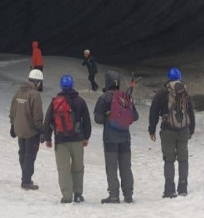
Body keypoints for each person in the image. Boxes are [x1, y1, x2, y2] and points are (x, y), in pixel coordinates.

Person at [149, 67, 196, 198]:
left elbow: (153, 112)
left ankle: (169, 189)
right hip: (183, 131)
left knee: (169, 160)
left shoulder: (161, 94)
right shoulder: (184, 93)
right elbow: (191, 112)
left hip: (167, 130)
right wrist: (191, 129)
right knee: (183, 159)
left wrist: (151, 129)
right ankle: (183, 187)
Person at [94, 70, 139, 203]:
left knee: (112, 166)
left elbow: (98, 119)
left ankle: (114, 194)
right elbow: (135, 116)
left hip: (110, 138)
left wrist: (109, 116)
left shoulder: (104, 98)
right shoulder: (125, 97)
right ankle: (128, 194)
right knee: (126, 166)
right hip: (125, 137)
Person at [47, 74, 92, 204]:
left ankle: (66, 196)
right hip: (77, 139)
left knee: (63, 169)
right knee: (78, 168)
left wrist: (48, 138)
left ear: (61, 86)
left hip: (61, 141)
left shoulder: (56, 101)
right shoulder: (80, 101)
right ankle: (78, 194)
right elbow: (87, 121)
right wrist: (86, 137)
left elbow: (48, 120)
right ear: (72, 85)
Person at [9, 69, 51, 190]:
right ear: (38, 82)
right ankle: (26, 181)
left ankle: (25, 177)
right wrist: (42, 130)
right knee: (30, 156)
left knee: (22, 154)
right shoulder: (34, 95)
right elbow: (37, 116)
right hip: (31, 132)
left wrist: (12, 125)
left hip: (19, 130)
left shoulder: (18, 93)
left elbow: (13, 110)